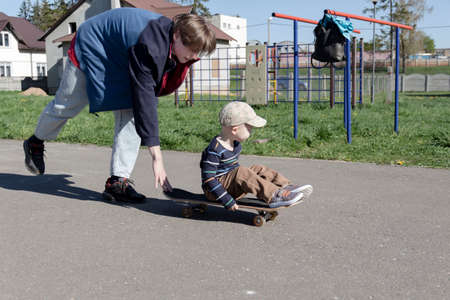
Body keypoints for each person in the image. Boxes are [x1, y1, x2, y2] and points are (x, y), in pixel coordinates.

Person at [23, 7, 216, 202]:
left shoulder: (165, 41)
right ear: (176, 35)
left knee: (131, 111)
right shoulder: (150, 46)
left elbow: (143, 99)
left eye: (198, 51)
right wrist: (157, 157)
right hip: (92, 42)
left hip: (120, 54)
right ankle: (35, 141)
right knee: (68, 105)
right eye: (191, 49)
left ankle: (117, 182)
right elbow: (146, 99)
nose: (194, 56)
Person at [200, 101, 313, 210]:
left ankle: (286, 187)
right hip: (214, 193)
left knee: (257, 168)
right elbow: (209, 179)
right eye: (250, 128)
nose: (252, 131)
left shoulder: (235, 144)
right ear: (235, 130)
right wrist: (227, 199)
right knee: (242, 172)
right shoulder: (214, 151)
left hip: (230, 185)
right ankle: (274, 195)